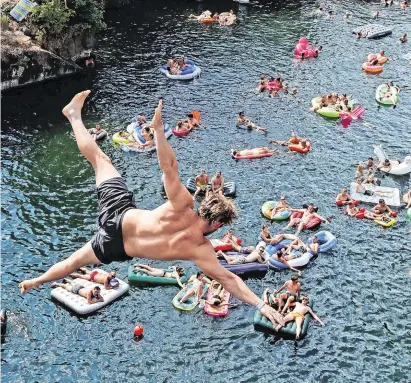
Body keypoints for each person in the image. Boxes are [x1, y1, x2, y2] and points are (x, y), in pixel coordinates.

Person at [19, 92, 282, 328]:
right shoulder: (200, 249)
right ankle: (36, 280)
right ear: (219, 225)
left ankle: (74, 115)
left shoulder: (183, 205)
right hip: (115, 246)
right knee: (73, 263)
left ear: (206, 205)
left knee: (100, 160)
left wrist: (157, 131)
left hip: (119, 216)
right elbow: (229, 280)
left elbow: (168, 166)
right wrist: (261, 304)